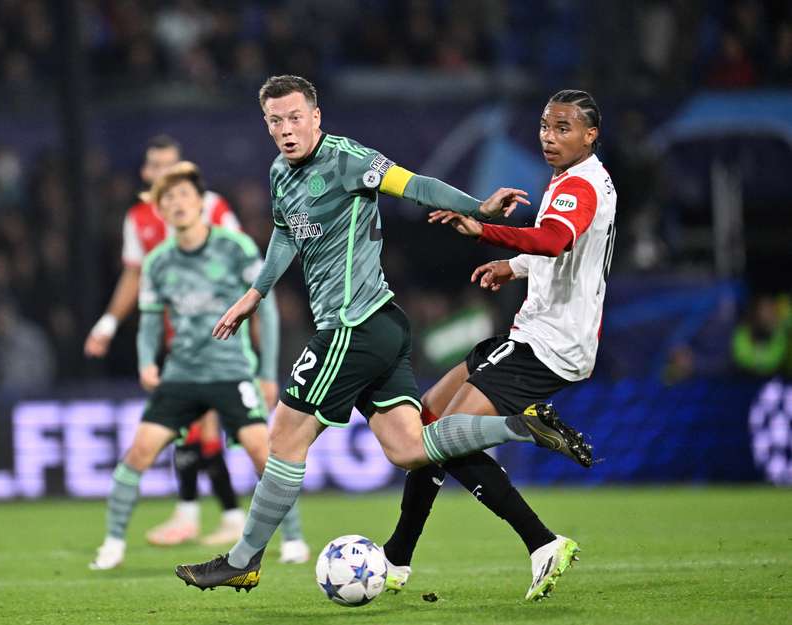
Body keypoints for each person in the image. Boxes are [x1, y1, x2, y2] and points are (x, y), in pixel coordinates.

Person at [174, 75, 591, 592]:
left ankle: (243, 559)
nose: (286, 130)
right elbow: (285, 235)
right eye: (275, 121)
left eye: (295, 117)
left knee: (284, 437)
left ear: (316, 116)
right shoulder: (282, 174)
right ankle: (522, 428)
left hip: (353, 326)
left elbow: (412, 185)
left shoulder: (347, 159)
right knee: (409, 448)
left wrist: (476, 208)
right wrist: (255, 294)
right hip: (381, 327)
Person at [380, 89, 615, 601]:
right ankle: (397, 558)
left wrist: (484, 230)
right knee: (428, 421)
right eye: (545, 127)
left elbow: (555, 240)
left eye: (564, 128)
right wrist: (514, 265)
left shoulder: (579, 185)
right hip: (536, 333)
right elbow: (563, 249)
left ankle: (542, 542)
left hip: (548, 343)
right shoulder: (575, 179)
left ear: (590, 134)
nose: (550, 138)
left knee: (446, 436)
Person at [89, 162, 307, 570]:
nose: (177, 204)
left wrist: (265, 372)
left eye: (184, 195)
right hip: (181, 376)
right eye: (168, 199)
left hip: (231, 371)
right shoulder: (157, 263)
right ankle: (113, 543)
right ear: (161, 211)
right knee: (138, 451)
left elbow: (268, 310)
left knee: (266, 452)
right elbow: (151, 321)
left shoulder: (236, 248)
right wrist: (145, 364)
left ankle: (294, 538)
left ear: (201, 203)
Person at [84, 135, 252, 551]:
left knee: (204, 429)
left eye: (171, 166)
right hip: (177, 341)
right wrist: (108, 322)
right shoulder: (139, 218)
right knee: (197, 430)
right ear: (146, 173)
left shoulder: (212, 208)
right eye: (156, 166)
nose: (163, 173)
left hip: (221, 341)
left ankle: (199, 513)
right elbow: (133, 276)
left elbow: (243, 270)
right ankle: (220, 515)